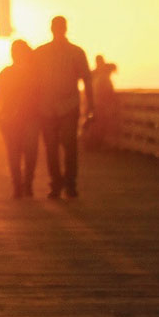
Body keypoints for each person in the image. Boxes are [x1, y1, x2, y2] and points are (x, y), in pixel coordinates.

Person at [34, 16, 94, 199]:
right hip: (58, 105)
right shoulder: (75, 52)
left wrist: (91, 104)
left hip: (60, 105)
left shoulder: (43, 52)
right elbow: (87, 80)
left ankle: (62, 185)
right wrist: (91, 105)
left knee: (60, 147)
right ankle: (65, 185)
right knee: (62, 147)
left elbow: (86, 79)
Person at [0, 39, 40, 197]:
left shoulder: (12, 73)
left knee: (17, 153)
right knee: (24, 153)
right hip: (17, 119)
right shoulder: (30, 73)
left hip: (18, 119)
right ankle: (23, 185)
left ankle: (21, 185)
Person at [84, 54, 119, 149]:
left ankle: (92, 144)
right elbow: (114, 67)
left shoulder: (96, 72)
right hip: (100, 103)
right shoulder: (102, 71)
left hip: (96, 102)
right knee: (98, 124)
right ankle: (93, 144)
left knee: (95, 124)